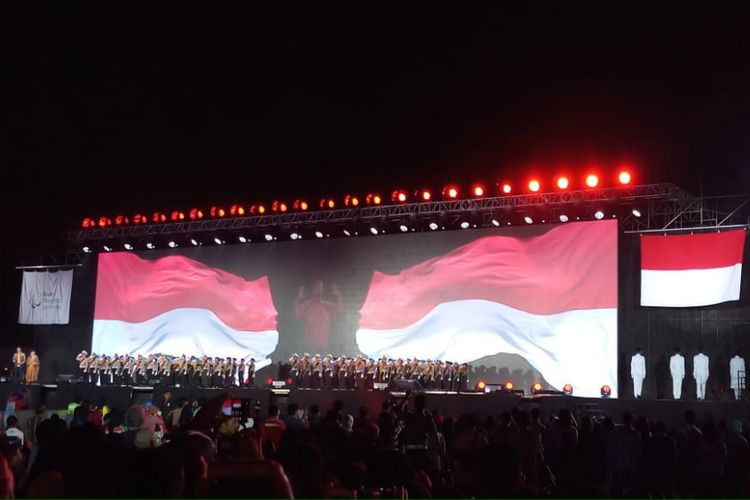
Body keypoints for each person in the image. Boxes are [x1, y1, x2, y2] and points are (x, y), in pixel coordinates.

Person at [294, 280, 343, 352]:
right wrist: (297, 299)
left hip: (323, 345)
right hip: (309, 345)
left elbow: (339, 310)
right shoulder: (306, 305)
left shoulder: (327, 305)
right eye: (317, 287)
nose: (319, 289)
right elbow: (297, 314)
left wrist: (338, 295)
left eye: (321, 287)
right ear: (312, 289)